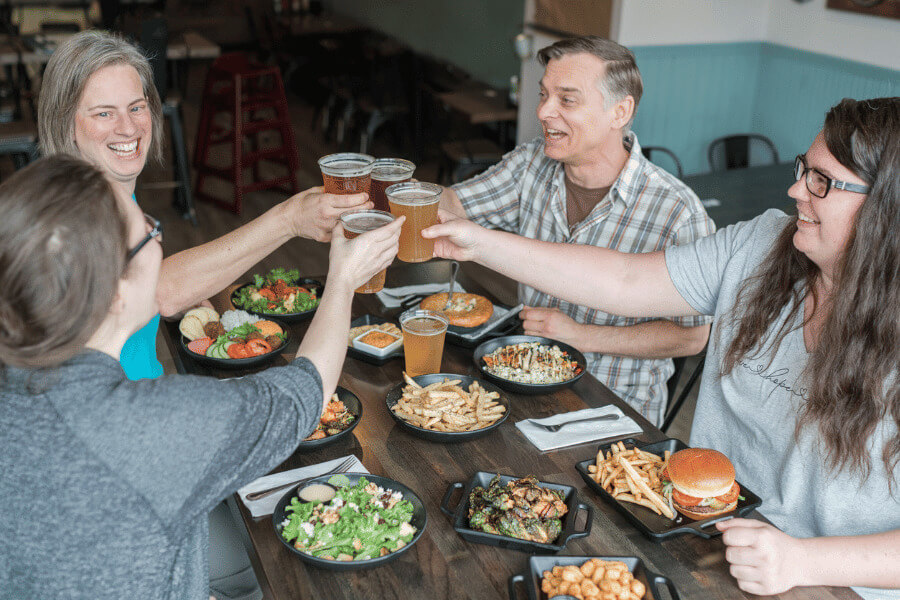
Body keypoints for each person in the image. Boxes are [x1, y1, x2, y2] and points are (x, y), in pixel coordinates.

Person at [424, 97, 900, 598]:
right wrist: (476, 242)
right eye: (804, 169)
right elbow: (625, 279)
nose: (796, 190)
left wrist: (800, 559)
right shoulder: (762, 243)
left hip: (831, 579)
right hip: (701, 535)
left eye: (822, 182)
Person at [0, 155, 403, 600]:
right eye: (151, 234)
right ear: (116, 294)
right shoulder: (152, 422)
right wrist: (343, 279)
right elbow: (306, 392)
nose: (159, 240)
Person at [37, 30, 372, 381]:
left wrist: (181, 295)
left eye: (136, 107)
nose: (128, 127)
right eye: (104, 114)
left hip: (142, 395)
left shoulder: (115, 191)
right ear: (66, 123)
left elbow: (136, 290)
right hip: (115, 421)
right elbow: (161, 291)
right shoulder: (70, 210)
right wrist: (288, 219)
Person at [439, 36, 713, 426]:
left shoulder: (677, 212)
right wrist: (396, 198)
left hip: (611, 409)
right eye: (544, 95)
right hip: (521, 381)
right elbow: (455, 202)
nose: (544, 112)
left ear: (620, 111)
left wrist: (584, 337)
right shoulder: (531, 163)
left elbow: (692, 337)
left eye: (567, 100)